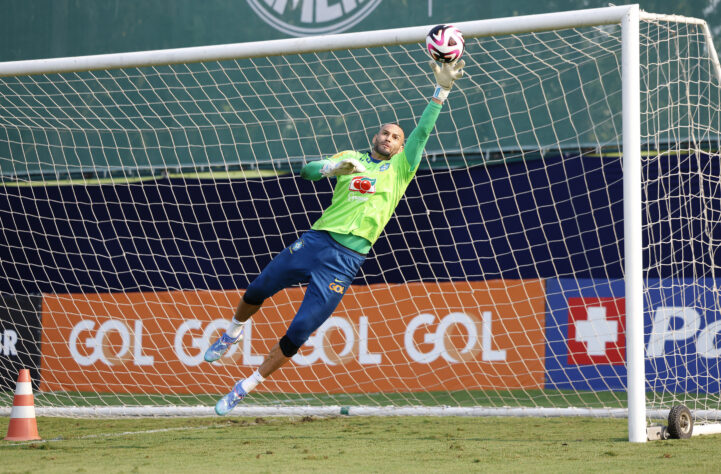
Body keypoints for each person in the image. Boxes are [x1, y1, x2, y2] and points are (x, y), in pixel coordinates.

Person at [206, 58, 465, 415]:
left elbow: (422, 131)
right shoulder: (351, 158)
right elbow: (306, 171)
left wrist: (442, 90)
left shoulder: (402, 167)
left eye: (395, 137)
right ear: (374, 137)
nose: (388, 138)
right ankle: (232, 332)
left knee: (299, 332)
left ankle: (243, 388)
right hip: (316, 241)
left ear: (402, 147)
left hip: (346, 261)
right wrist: (330, 167)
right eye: (384, 133)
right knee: (257, 289)